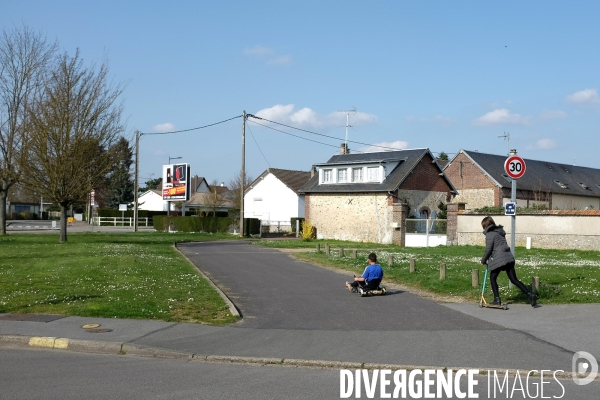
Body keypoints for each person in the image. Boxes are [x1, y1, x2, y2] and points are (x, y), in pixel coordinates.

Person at [480, 216, 538, 307]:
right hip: (508, 257)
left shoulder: (490, 234)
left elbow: (488, 250)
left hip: (499, 259)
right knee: (514, 280)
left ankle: (497, 299)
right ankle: (530, 295)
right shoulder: (500, 232)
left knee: (493, 278)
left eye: (483, 226)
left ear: (485, 226)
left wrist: (483, 260)